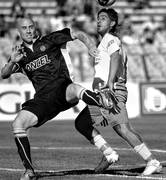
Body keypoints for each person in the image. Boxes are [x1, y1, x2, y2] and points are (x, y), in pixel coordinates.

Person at [0, 16, 114, 180]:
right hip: (43, 100)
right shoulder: (20, 54)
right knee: (18, 124)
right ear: (18, 31)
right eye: (24, 28)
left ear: (35, 26)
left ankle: (102, 100)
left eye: (31, 26)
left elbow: (78, 34)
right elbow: (4, 74)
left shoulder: (51, 39)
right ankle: (29, 171)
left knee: (74, 88)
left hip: (63, 89)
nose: (29, 30)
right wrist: (12, 62)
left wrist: (90, 46)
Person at [75, 8, 162, 176]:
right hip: (100, 94)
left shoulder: (111, 39)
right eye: (98, 18)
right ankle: (108, 153)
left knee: (122, 128)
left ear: (112, 23)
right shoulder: (102, 42)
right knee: (82, 123)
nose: (98, 21)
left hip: (110, 91)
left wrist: (109, 83)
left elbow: (115, 58)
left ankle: (152, 161)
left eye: (103, 18)